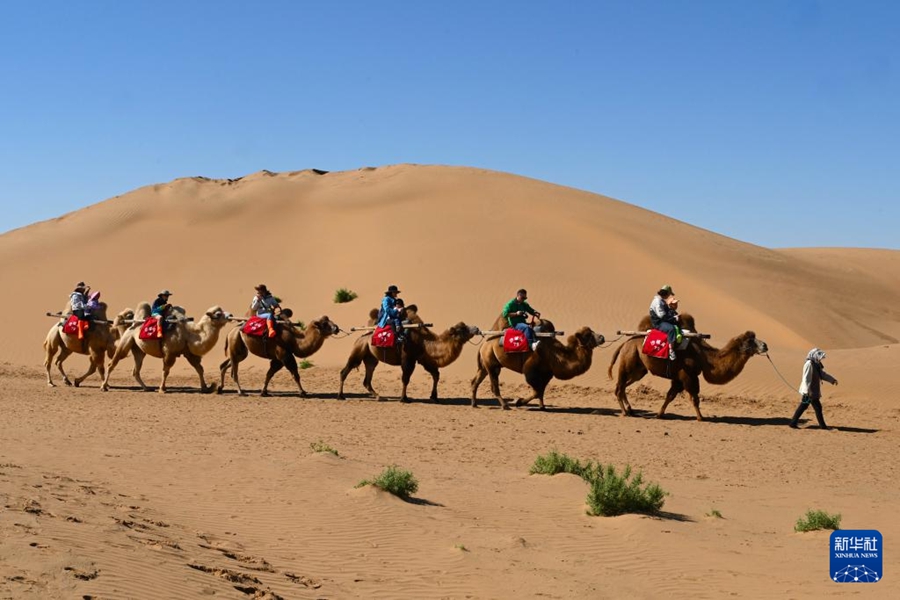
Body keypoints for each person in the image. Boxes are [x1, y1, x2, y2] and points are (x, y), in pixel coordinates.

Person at [789, 348, 838, 429]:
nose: (821, 358)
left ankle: (793, 423)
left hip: (812, 390)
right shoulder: (809, 364)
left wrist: (832, 380)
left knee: (803, 406)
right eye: (819, 356)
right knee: (818, 407)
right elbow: (806, 378)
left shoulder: (816, 364)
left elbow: (822, 374)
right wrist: (807, 391)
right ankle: (823, 426)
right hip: (810, 391)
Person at [649, 285, 680, 360]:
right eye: (669, 294)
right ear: (665, 293)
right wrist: (673, 319)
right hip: (658, 323)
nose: (669, 296)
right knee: (671, 329)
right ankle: (671, 351)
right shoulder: (658, 302)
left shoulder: (662, 301)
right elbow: (662, 316)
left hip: (663, 320)